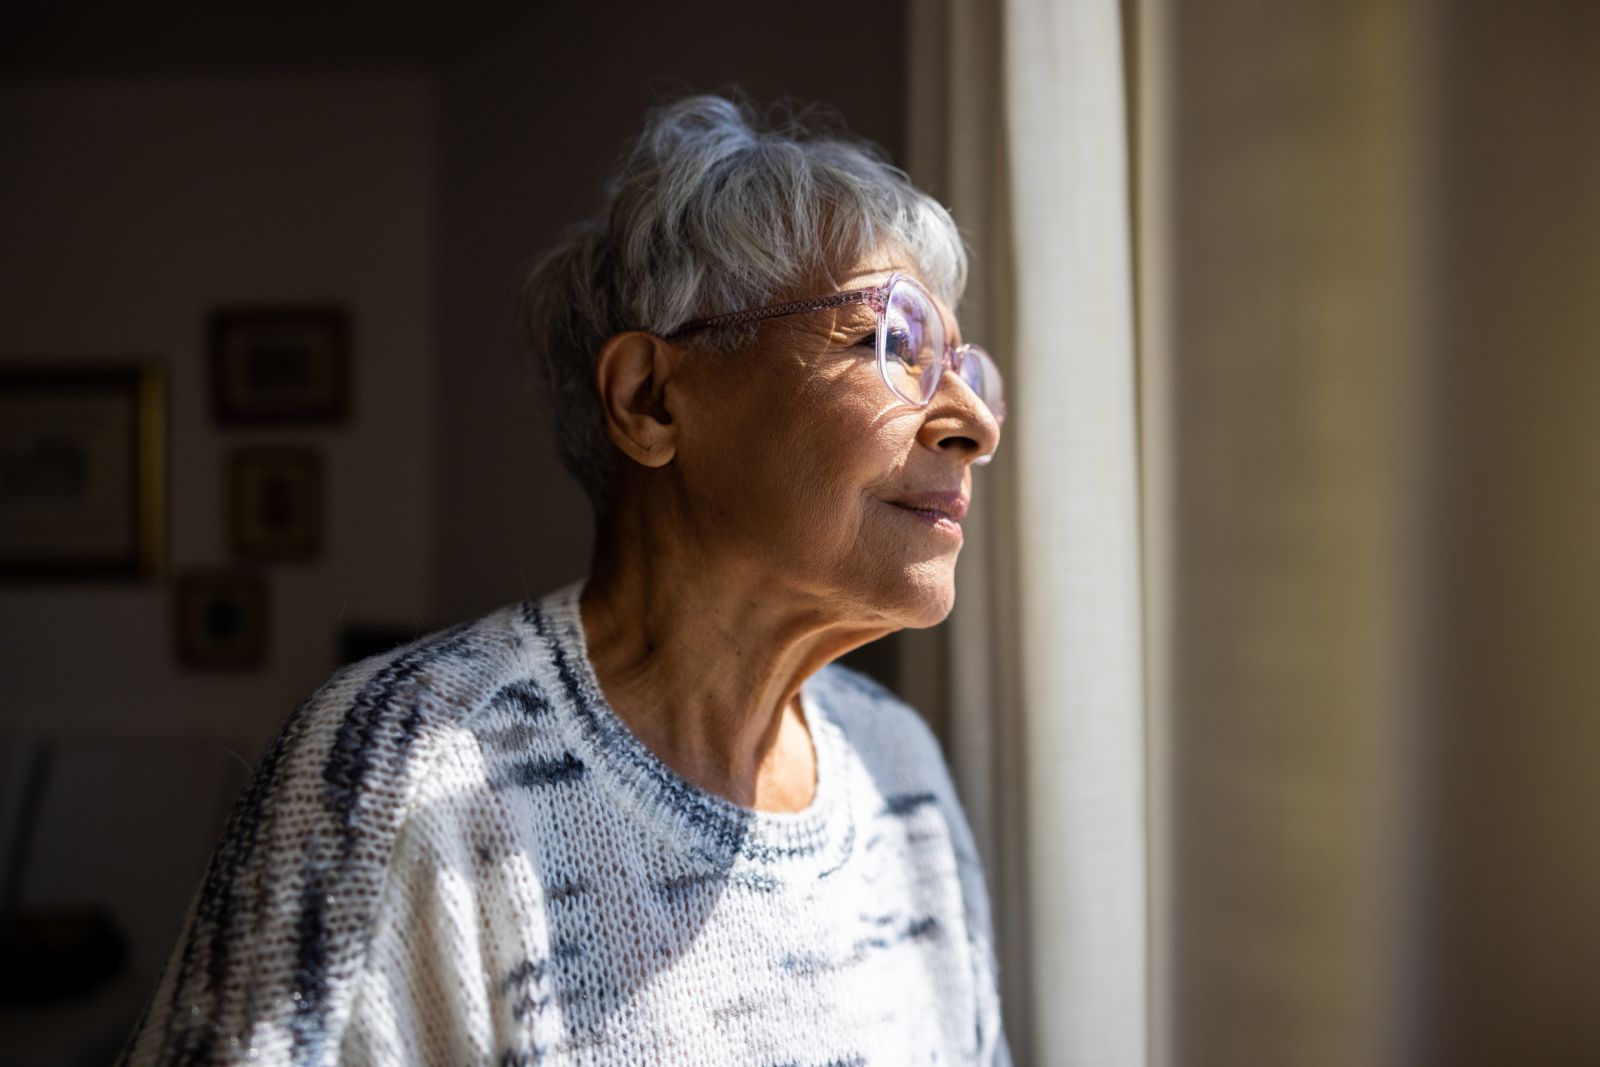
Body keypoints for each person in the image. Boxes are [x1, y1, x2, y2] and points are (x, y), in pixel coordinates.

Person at [118, 93, 1010, 1066]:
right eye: (890, 344)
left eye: (964, 366)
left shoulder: (898, 770)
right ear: (650, 399)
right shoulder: (412, 761)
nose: (973, 421)